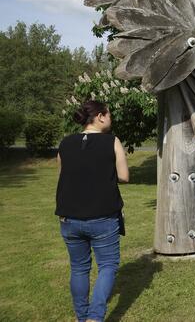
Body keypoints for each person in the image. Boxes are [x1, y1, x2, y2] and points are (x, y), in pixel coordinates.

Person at [56, 100, 129, 322]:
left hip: (69, 218)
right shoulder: (112, 141)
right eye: (109, 114)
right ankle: (94, 317)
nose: (111, 118)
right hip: (102, 217)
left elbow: (63, 174)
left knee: (79, 268)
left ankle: (82, 317)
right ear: (100, 116)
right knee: (107, 266)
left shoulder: (65, 143)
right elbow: (124, 176)